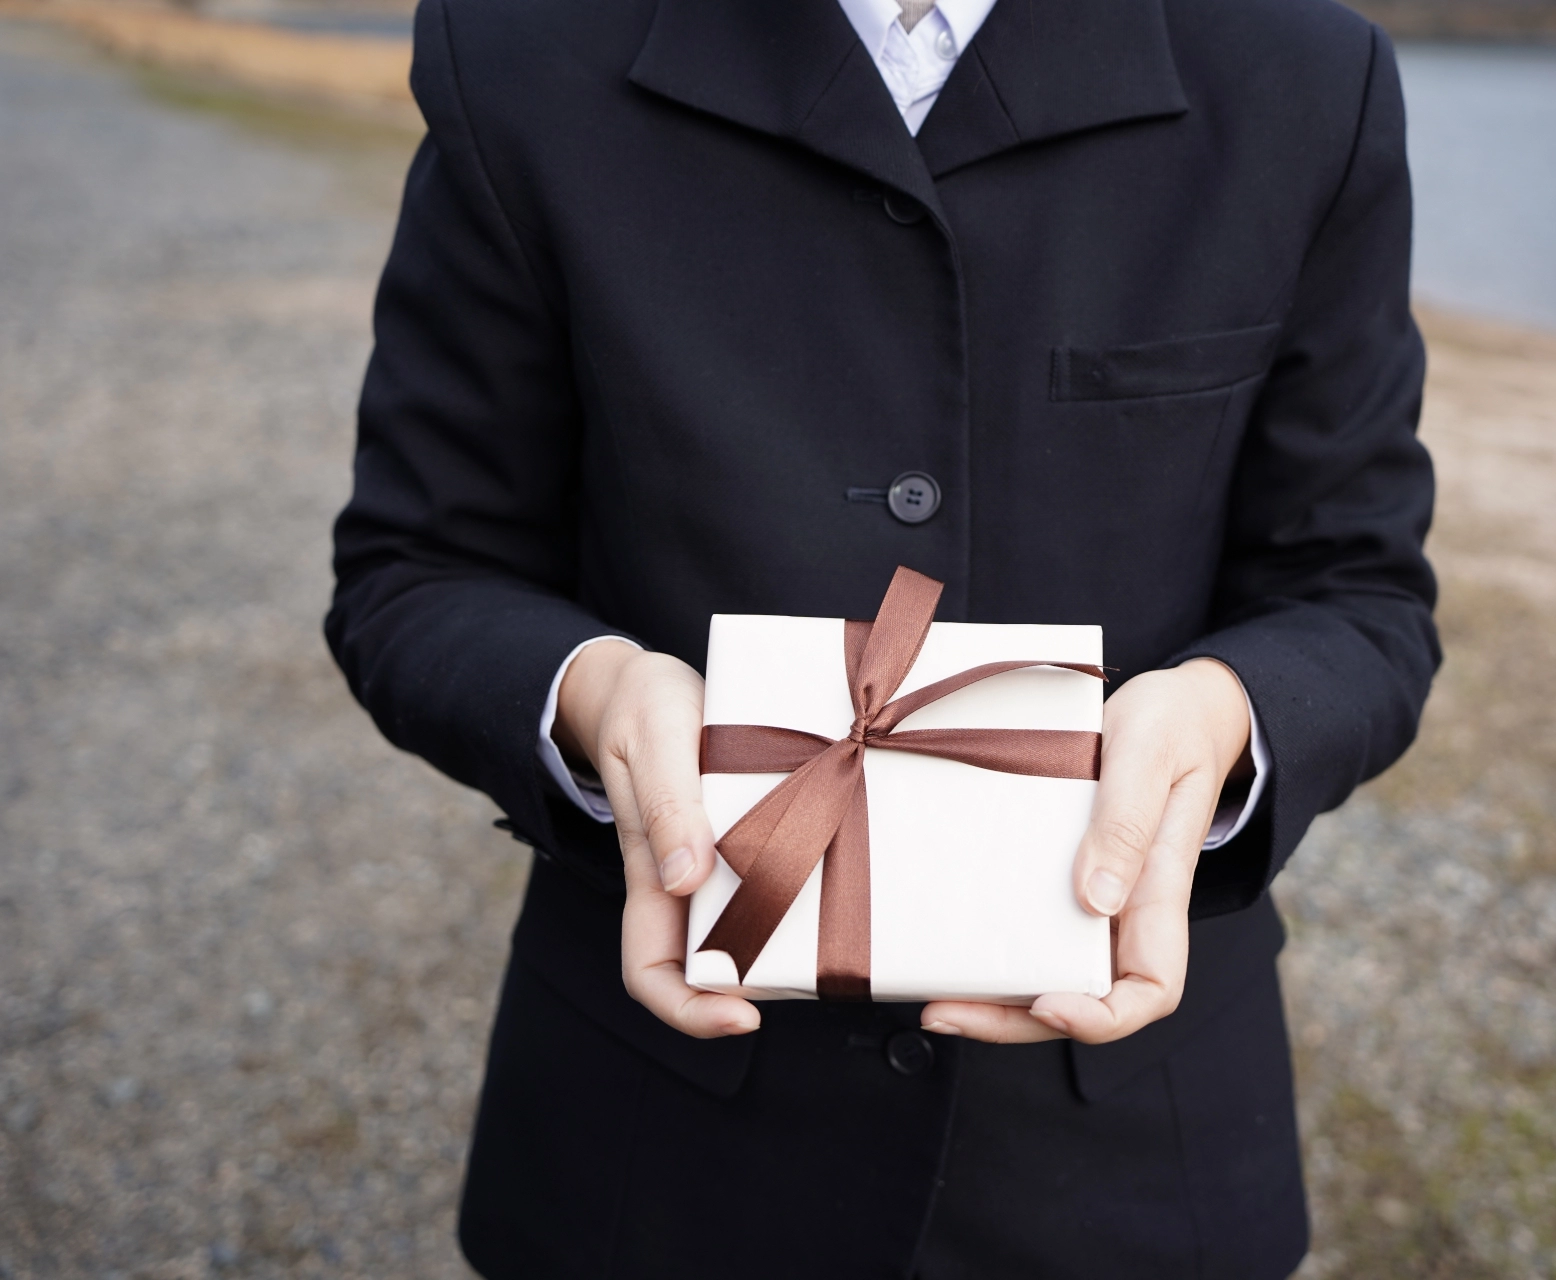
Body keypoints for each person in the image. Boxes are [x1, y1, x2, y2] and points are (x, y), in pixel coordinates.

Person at [325, 0, 1438, 1274]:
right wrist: (588, 691)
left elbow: (1362, 594)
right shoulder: (520, 50)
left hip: (1125, 1161)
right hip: (654, 1156)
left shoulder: (1300, 74)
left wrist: (1232, 715)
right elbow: (416, 568)